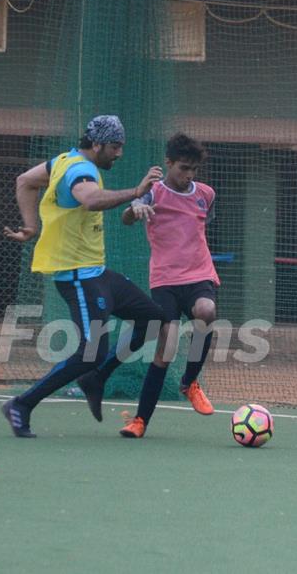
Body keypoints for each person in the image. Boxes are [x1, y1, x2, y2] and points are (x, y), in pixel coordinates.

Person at [1, 115, 169, 438]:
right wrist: (136, 191)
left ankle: (97, 377)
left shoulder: (62, 161)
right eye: (115, 147)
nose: (119, 154)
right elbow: (90, 200)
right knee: (90, 351)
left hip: (97, 271)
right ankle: (22, 404)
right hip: (77, 276)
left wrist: (31, 225)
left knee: (153, 319)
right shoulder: (80, 170)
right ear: (97, 144)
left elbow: (25, 181)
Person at [83, 133, 218, 438]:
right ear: (168, 163)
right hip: (165, 280)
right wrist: (135, 211)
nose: (189, 175)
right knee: (165, 347)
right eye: (183, 168)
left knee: (206, 311)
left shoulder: (206, 194)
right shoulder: (153, 192)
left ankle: (189, 382)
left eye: (193, 170)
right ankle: (140, 420)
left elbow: (198, 226)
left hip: (199, 275)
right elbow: (128, 217)